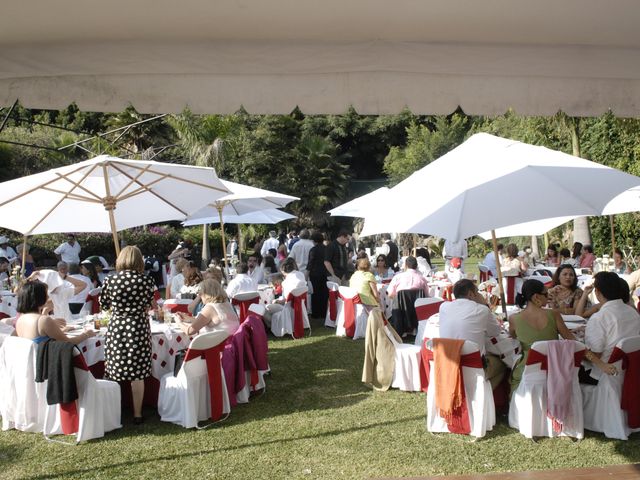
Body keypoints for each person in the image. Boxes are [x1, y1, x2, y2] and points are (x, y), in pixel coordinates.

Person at [100, 245, 156, 425]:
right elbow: (150, 305)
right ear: (139, 260)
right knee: (138, 374)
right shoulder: (146, 281)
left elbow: (104, 305)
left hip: (117, 328)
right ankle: (137, 413)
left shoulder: (110, 280)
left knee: (114, 370)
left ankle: (113, 412)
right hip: (138, 328)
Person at [509, 279, 575, 393]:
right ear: (536, 297)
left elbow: (512, 336)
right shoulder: (553, 314)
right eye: (545, 294)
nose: (548, 297)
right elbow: (573, 340)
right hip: (554, 370)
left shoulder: (514, 318)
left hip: (526, 373)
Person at [439, 279, 505, 389]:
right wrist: (484, 304)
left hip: (448, 363)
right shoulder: (482, 310)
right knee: (503, 363)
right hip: (474, 366)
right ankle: (481, 393)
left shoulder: (443, 307)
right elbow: (496, 332)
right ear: (471, 294)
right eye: (477, 292)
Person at [582, 272, 640, 383]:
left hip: (602, 373)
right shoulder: (633, 312)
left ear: (597, 292)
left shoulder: (599, 318)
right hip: (629, 370)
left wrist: (577, 348)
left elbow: (595, 356)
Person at [15, 279, 96, 345]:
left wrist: (60, 331)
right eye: (46, 294)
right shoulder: (43, 320)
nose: (48, 297)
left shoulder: (20, 319)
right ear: (40, 298)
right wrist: (86, 334)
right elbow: (68, 342)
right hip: (42, 362)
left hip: (28, 361)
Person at [307, 231, 329, 318]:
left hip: (315, 273)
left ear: (314, 240)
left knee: (315, 293)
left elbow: (310, 263)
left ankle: (316, 313)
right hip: (324, 273)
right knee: (324, 293)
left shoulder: (313, 250)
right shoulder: (326, 248)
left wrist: (307, 274)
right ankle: (323, 312)